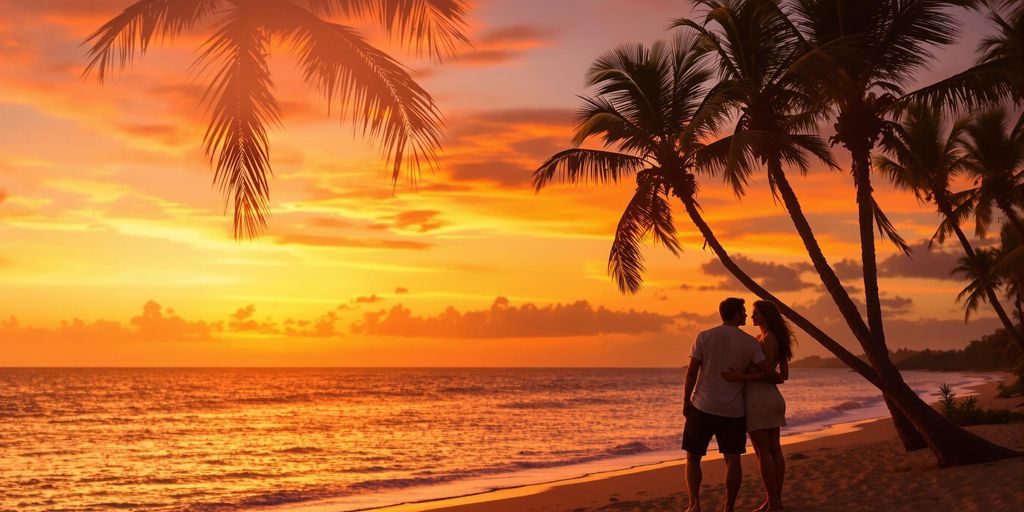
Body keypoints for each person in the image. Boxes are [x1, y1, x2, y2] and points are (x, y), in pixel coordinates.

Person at [682, 297, 779, 512]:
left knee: (693, 458)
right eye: (743, 312)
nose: (746, 315)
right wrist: (771, 375)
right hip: (733, 411)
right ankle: (729, 508)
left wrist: (686, 400)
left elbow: (692, 371)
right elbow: (767, 371)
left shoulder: (704, 336)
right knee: (732, 460)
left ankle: (694, 504)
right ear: (735, 314)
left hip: (702, 406)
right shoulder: (751, 343)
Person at [722, 300, 794, 511]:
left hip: (758, 399)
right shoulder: (772, 339)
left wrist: (738, 377)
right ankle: (774, 500)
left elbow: (768, 374)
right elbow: (783, 375)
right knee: (774, 451)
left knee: (764, 452)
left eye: (756, 314)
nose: (752, 317)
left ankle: (773, 501)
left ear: (766, 317)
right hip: (772, 398)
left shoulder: (767, 339)